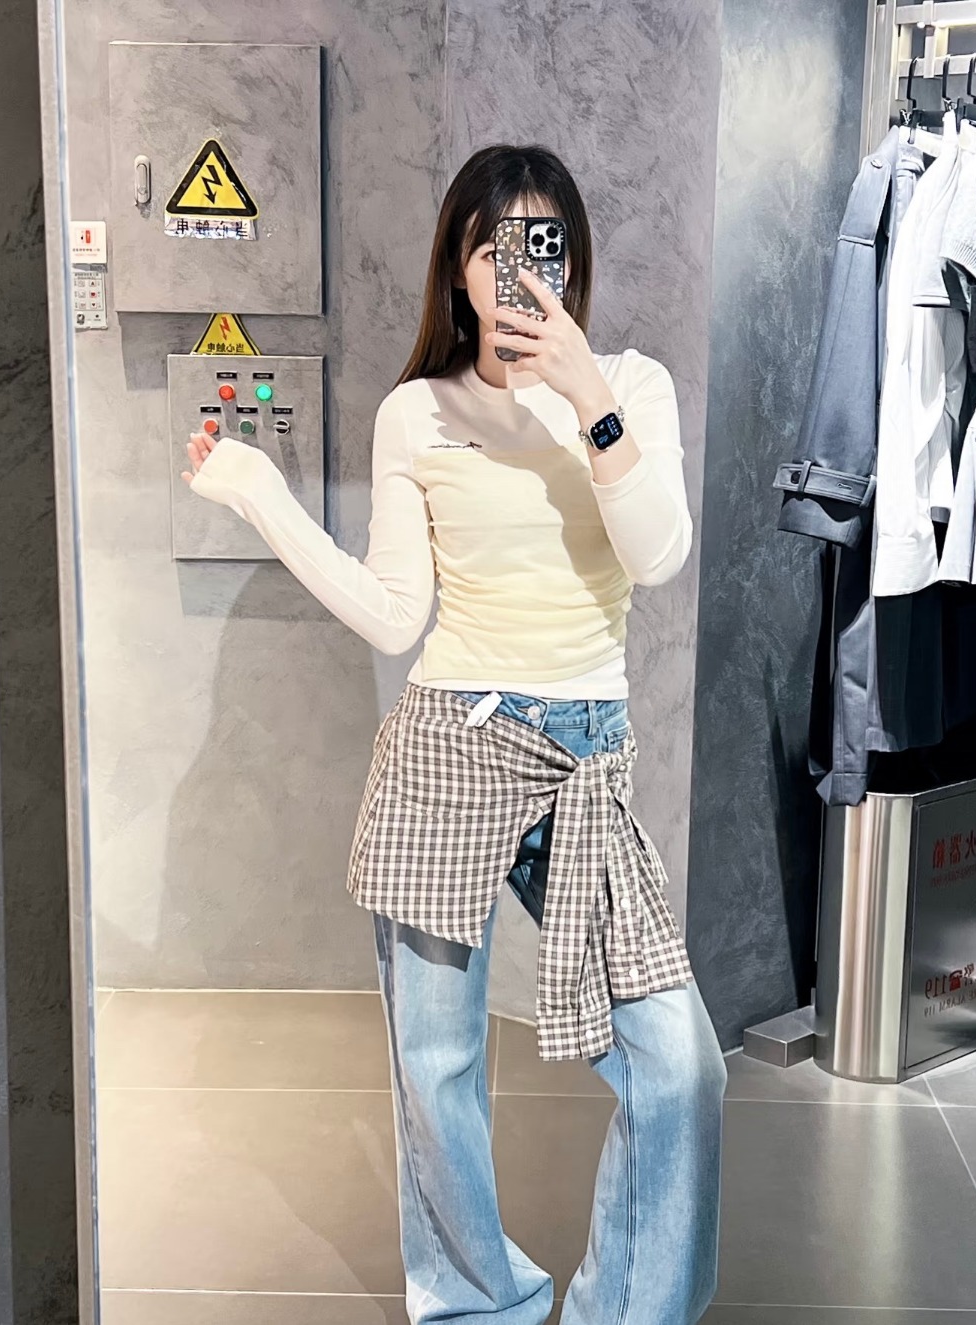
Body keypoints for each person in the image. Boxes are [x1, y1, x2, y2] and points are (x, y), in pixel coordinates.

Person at [182, 143, 728, 1324]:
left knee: (681, 1063)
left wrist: (584, 392)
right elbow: (394, 611)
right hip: (450, 747)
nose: (521, 271)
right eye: (495, 247)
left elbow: (659, 555)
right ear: (460, 268)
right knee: (437, 1071)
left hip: (584, 760)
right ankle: (479, 1305)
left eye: (545, 243)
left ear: (572, 258)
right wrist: (261, 494)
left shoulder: (630, 386)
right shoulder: (416, 412)